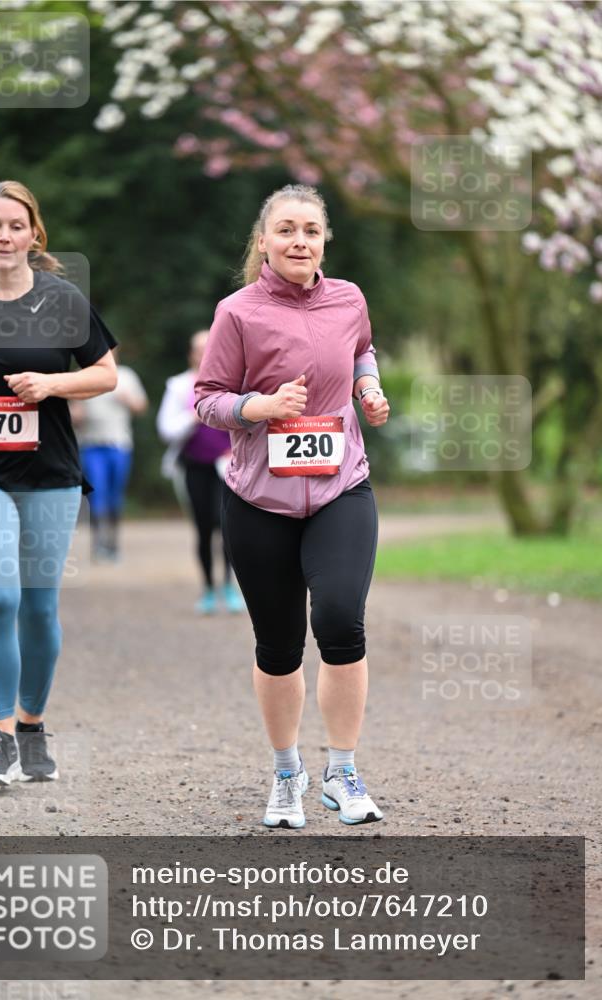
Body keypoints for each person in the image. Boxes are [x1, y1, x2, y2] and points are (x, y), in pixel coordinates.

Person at [195, 184, 390, 828]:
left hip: (341, 487)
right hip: (258, 500)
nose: (299, 240)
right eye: (285, 230)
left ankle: (343, 772)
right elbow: (208, 399)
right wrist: (258, 408)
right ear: (264, 241)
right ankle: (287, 773)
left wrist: (368, 387)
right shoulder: (238, 312)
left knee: (340, 620)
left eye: (310, 229)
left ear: (324, 239)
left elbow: (361, 349)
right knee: (278, 646)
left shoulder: (349, 298)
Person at [0, 180, 117, 787]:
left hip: (49, 474)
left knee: (39, 607)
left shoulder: (63, 300)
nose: (5, 236)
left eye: (16, 225)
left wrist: (51, 385)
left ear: (33, 234)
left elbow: (105, 374)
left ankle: (32, 725)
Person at [157, 331, 244, 614]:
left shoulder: (235, 381)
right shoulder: (179, 386)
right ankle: (208, 588)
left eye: (209, 347)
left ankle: (230, 586)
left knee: (229, 527)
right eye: (198, 349)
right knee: (204, 528)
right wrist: (195, 416)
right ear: (190, 354)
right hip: (194, 466)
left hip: (227, 466)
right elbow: (166, 429)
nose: (203, 353)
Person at [72, 349, 148, 560]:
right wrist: (76, 415)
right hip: (91, 445)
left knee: (115, 496)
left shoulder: (126, 376)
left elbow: (141, 406)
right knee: (97, 494)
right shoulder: (82, 374)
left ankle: (113, 543)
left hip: (119, 445)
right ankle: (98, 543)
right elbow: (74, 411)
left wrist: (128, 401)